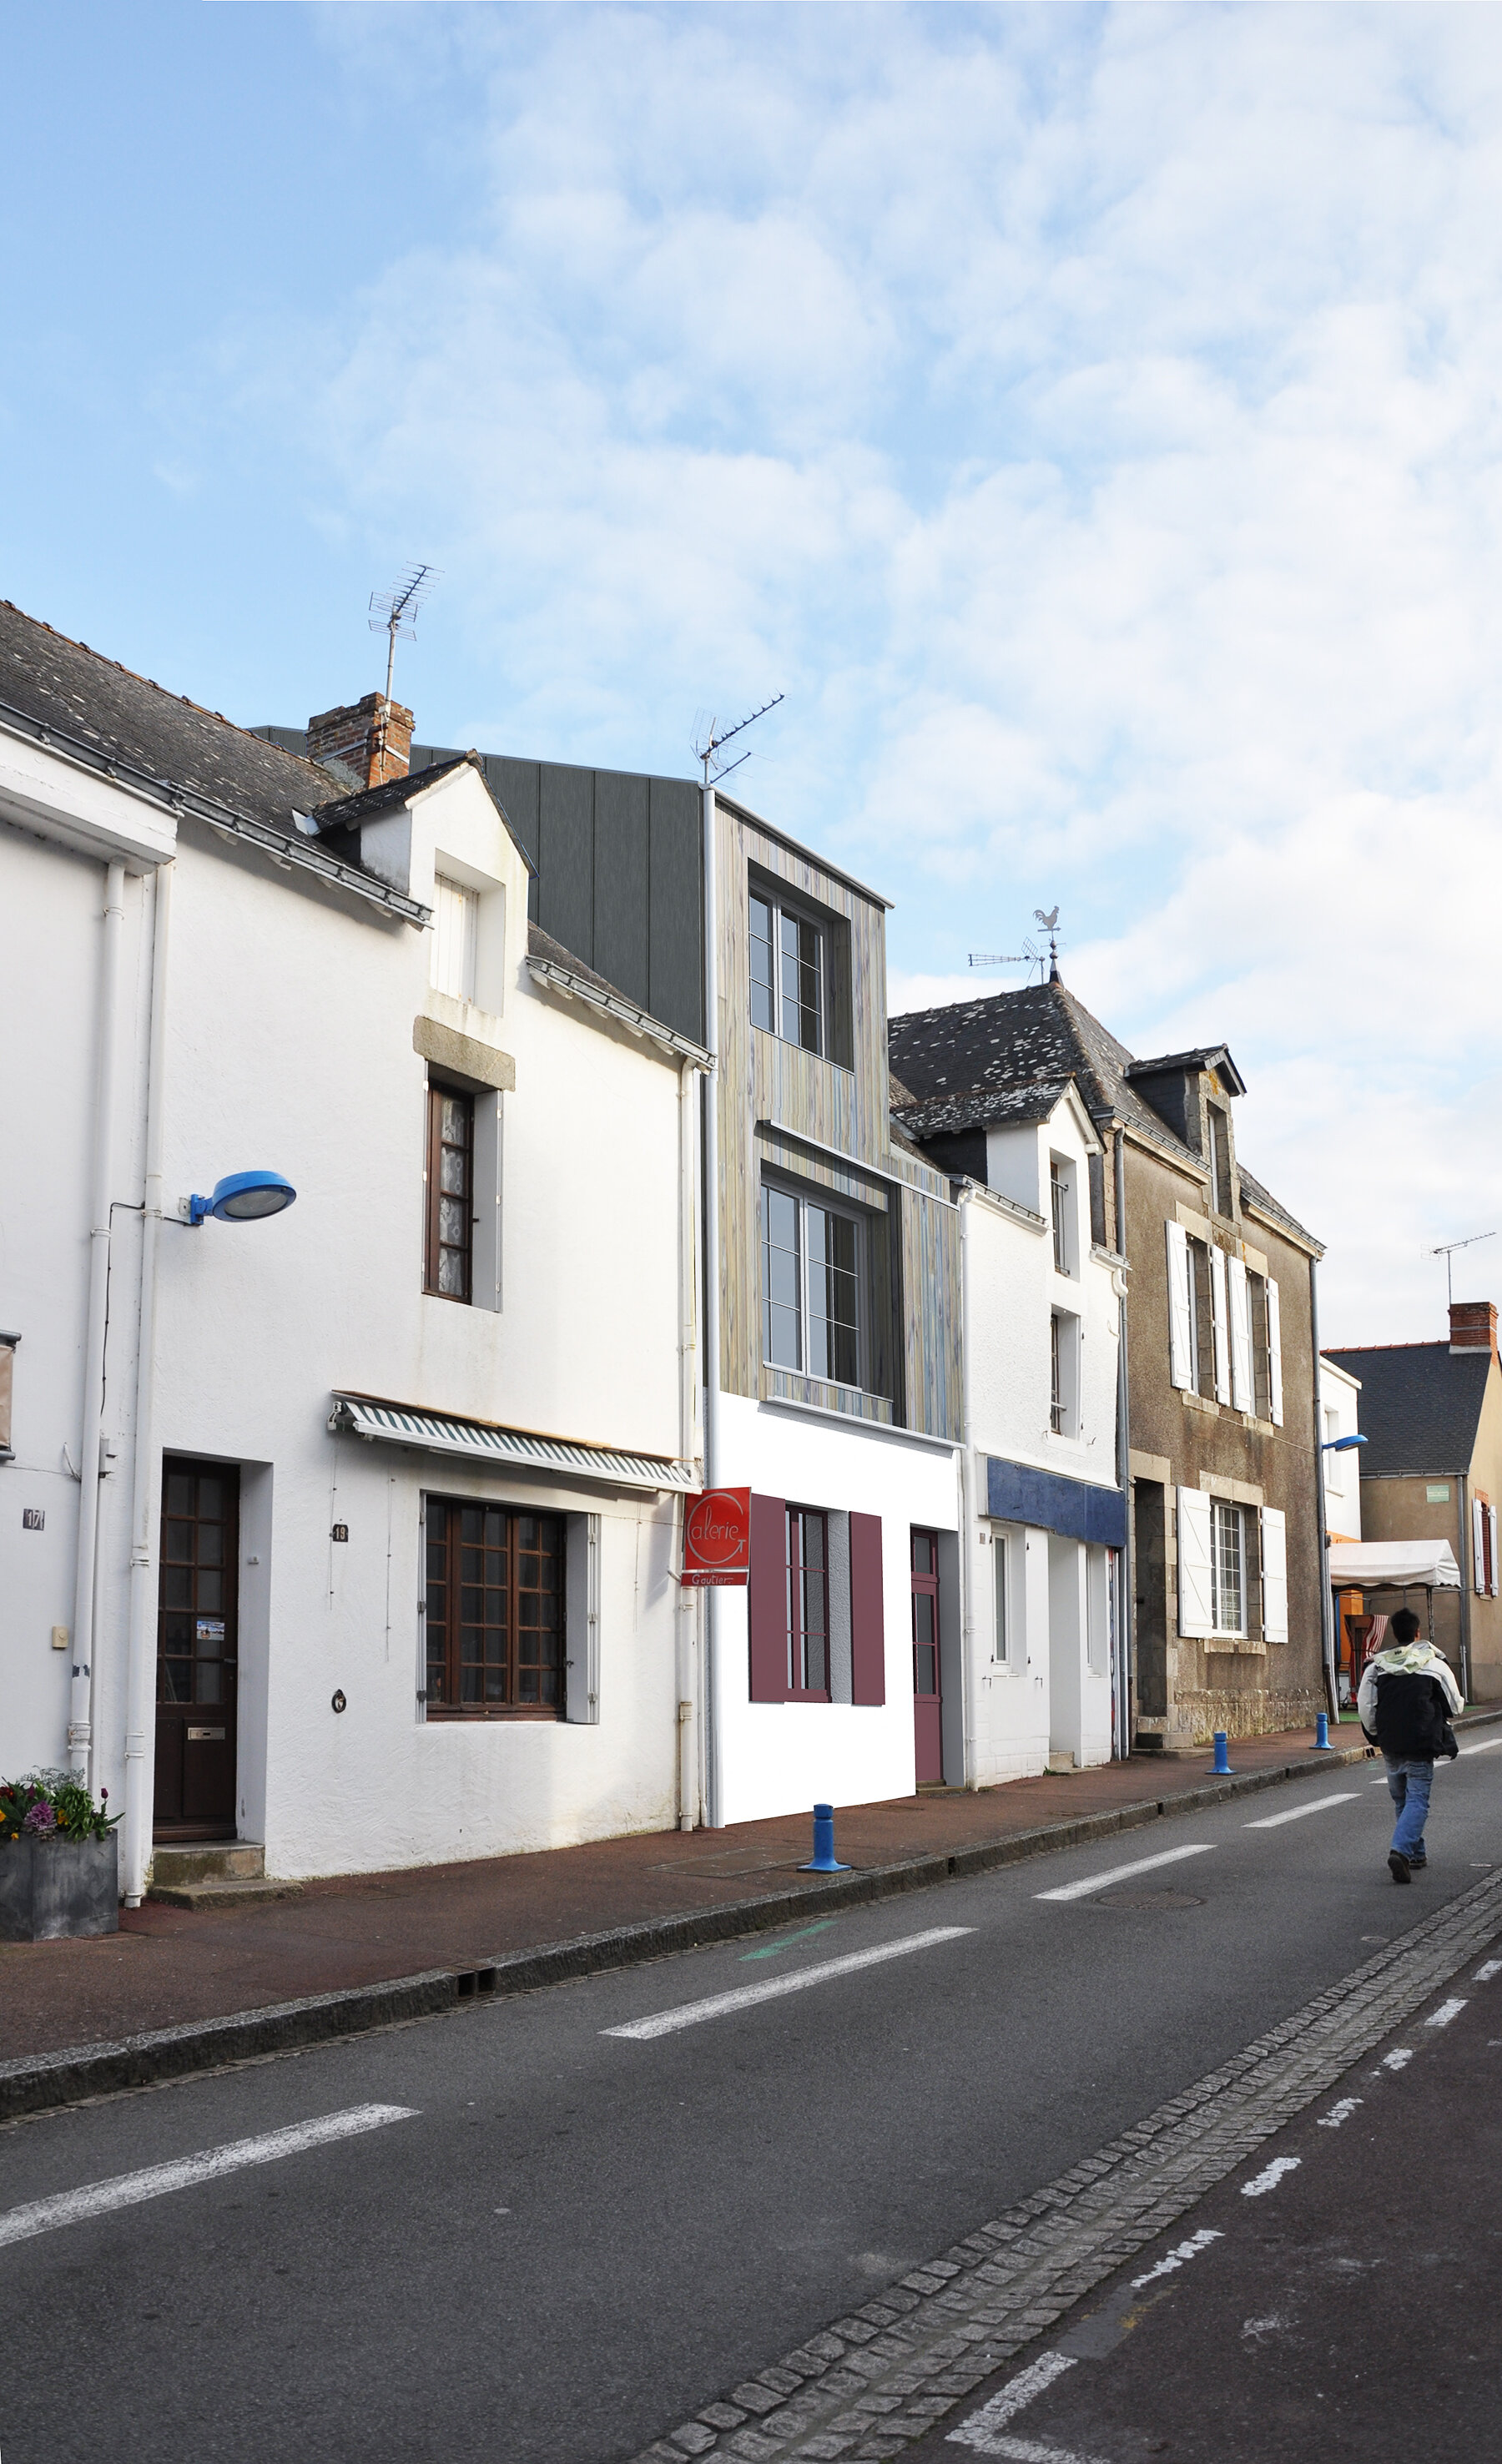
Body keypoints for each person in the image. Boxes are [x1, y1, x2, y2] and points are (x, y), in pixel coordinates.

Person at [1358, 1607, 1463, 1883]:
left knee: (1402, 1799)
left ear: (1394, 1633)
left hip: (1391, 1743)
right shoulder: (1434, 1664)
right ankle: (1402, 1851)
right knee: (1417, 1799)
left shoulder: (1376, 1666)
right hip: (1421, 1741)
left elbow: (1366, 1707)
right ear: (1417, 1634)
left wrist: (1376, 1734)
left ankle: (1416, 1854)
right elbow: (1456, 1705)